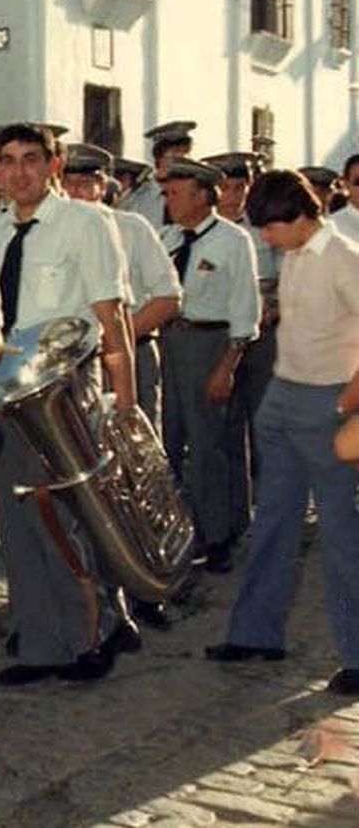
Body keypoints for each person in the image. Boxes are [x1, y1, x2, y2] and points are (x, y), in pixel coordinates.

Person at [0, 122, 138, 686]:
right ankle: (41, 643)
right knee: (19, 520)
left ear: (54, 163)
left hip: (64, 389)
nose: (18, 171)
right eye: (7, 160)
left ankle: (94, 632)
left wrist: (125, 399)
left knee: (70, 516)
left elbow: (111, 315)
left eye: (30, 159)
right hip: (5, 394)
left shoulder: (85, 222)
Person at [205, 170, 359, 699]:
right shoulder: (294, 256)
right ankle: (255, 634)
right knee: (271, 522)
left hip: (328, 401)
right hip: (284, 396)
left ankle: (357, 655)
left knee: (341, 534)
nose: (264, 240)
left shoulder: (344, 259)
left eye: (270, 230)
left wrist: (346, 404)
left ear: (298, 217)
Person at [158, 157, 260, 574]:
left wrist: (228, 365)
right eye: (166, 193)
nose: (169, 201)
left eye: (176, 193)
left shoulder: (233, 241)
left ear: (202, 195)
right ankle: (180, 532)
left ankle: (217, 535)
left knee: (209, 445)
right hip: (169, 342)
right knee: (169, 441)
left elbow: (245, 309)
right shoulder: (166, 238)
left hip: (210, 343)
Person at [62, 144, 181, 426]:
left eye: (85, 183)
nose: (75, 192)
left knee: (133, 444)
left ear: (102, 186)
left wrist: (117, 338)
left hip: (132, 352)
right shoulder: (48, 230)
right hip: (71, 364)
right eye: (68, 183)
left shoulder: (132, 228)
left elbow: (169, 296)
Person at [205, 151, 277, 548]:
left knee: (265, 426)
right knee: (225, 431)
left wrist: (273, 309)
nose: (233, 196)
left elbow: (289, 277)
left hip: (265, 337)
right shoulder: (207, 233)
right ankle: (234, 516)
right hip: (221, 340)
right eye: (226, 188)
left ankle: (272, 514)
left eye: (240, 187)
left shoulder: (266, 227)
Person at [121, 120, 194, 229]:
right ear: (159, 156)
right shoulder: (138, 197)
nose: (182, 158)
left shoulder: (194, 193)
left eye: (186, 152)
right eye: (175, 152)